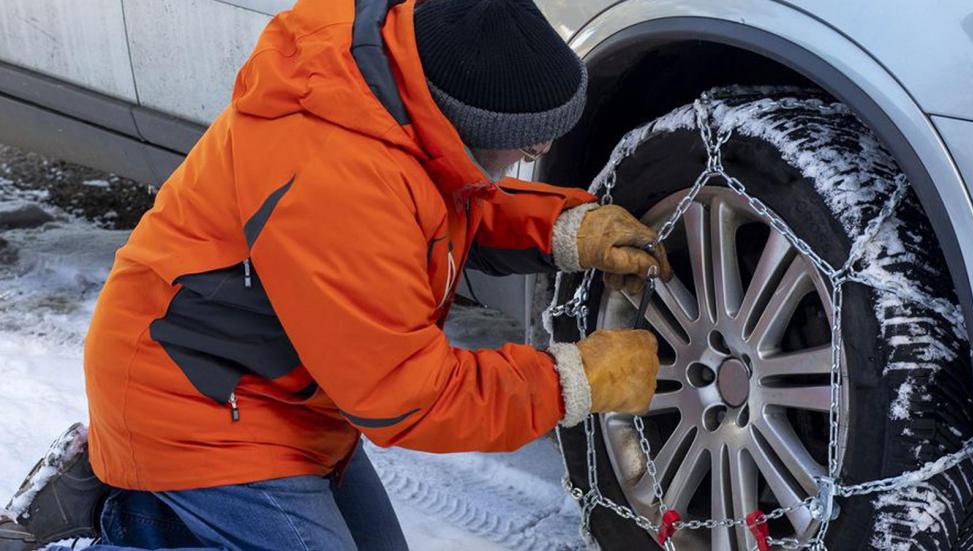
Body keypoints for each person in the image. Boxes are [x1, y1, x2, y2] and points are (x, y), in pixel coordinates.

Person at [0, 0, 672, 549]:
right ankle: (99, 530)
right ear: (462, 121)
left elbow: (438, 208)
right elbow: (411, 397)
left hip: (284, 389)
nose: (542, 148)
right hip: (193, 403)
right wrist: (576, 380)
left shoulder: (394, 83)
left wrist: (567, 230)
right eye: (530, 134)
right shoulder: (337, 177)